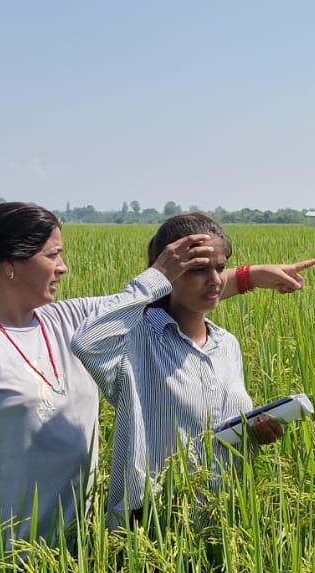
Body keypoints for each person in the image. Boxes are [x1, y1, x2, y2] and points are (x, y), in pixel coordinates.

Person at [0, 202, 315, 560]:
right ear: (9, 264)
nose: (63, 266)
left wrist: (250, 276)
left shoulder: (63, 319)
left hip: (74, 556)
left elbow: (166, 298)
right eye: (53, 255)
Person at [71, 213, 291, 525]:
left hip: (222, 523)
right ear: (169, 272)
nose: (214, 280)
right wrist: (155, 275)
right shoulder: (136, 341)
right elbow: (86, 341)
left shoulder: (227, 345)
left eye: (220, 267)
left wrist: (254, 433)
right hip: (151, 527)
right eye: (198, 270)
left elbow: (223, 432)